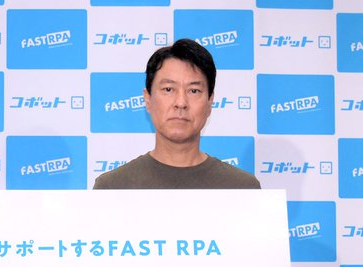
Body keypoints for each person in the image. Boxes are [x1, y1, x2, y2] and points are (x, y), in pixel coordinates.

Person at [93, 38, 260, 189]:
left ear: (210, 102)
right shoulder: (113, 187)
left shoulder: (242, 188)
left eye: (194, 91)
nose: (181, 102)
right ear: (148, 99)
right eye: (168, 89)